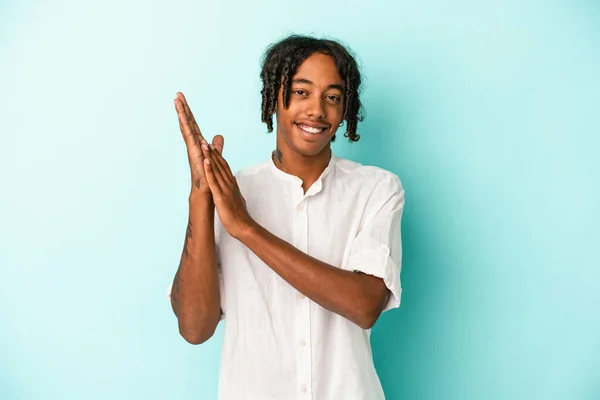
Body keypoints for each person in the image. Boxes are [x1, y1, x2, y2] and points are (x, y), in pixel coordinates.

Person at [167, 34, 405, 400]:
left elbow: (364, 305)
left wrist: (245, 228)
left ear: (345, 109)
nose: (316, 110)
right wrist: (202, 196)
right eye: (301, 92)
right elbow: (195, 329)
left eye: (333, 97)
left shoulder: (376, 189)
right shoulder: (230, 191)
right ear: (273, 98)